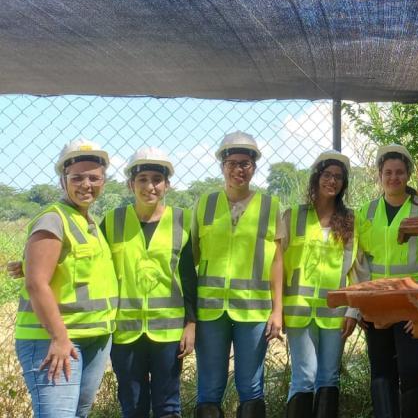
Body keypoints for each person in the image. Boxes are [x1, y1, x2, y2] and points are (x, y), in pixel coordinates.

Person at [15, 139, 118, 417]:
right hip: (55, 340)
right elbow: (36, 283)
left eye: (94, 178)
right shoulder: (54, 219)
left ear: (104, 181)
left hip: (92, 337)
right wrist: (60, 338)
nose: (86, 184)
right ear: (63, 181)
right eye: (77, 178)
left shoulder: (88, 222)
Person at [101, 147, 197, 418]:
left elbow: (189, 277)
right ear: (130, 184)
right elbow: (91, 262)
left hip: (168, 331)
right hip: (125, 331)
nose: (150, 186)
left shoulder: (182, 221)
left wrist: (191, 324)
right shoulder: (112, 221)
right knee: (133, 406)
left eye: (157, 179)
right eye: (142, 179)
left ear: (167, 185)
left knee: (168, 405)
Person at [192, 132, 282, 418]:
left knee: (251, 387)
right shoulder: (205, 204)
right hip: (210, 310)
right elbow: (191, 257)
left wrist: (277, 310)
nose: (238, 170)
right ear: (222, 166)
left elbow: (277, 261)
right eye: (232, 163)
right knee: (209, 389)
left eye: (245, 163)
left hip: (253, 310)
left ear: (254, 167)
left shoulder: (270, 206)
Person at [280, 151, 368, 418]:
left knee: (329, 377)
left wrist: (353, 310)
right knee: (304, 376)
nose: (332, 181)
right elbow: (278, 264)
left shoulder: (351, 221)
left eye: (338, 177)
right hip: (299, 310)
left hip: (335, 313)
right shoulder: (293, 216)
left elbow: (358, 270)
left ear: (344, 183)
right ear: (316, 177)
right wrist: (277, 308)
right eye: (327, 175)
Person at [355, 144, 418, 418]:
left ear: (408, 175)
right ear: (380, 175)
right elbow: (359, 261)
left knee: (414, 371)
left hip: (413, 304)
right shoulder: (366, 212)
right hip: (377, 305)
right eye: (388, 172)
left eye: (400, 172)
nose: (394, 177)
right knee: (382, 373)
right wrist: (362, 305)